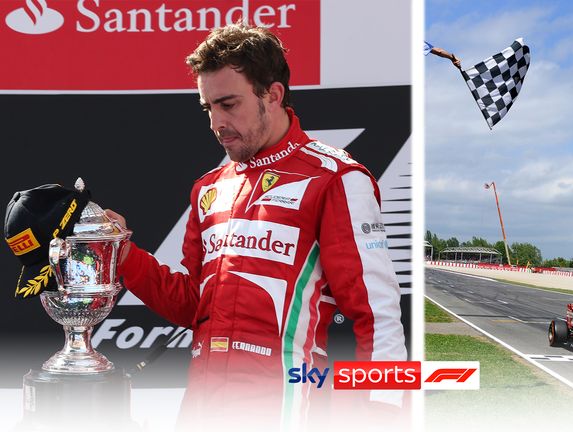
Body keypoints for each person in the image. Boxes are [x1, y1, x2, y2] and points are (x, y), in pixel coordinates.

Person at [107, 23, 407, 430]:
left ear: (274, 95)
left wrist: (383, 411)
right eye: (208, 107)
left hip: (289, 403)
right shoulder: (208, 189)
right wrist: (122, 253)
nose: (216, 122)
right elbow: (194, 306)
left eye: (229, 104)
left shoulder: (336, 178)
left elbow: (379, 315)